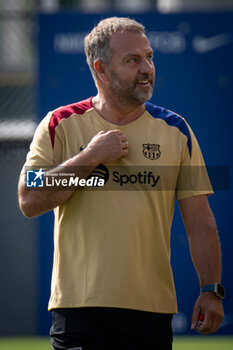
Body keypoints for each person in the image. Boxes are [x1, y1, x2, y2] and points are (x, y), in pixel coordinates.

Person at [18, 17, 224, 350]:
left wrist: (210, 289)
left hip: (151, 312)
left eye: (149, 57)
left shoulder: (176, 130)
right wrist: (89, 157)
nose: (147, 68)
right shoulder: (60, 123)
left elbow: (200, 220)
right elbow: (29, 196)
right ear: (101, 69)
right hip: (80, 310)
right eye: (133, 60)